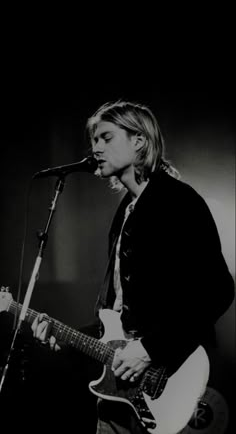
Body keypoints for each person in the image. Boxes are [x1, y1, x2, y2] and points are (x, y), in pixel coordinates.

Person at [31, 100, 235, 434]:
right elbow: (117, 313)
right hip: (120, 392)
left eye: (106, 138)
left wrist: (151, 349)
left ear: (138, 140)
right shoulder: (126, 211)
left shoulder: (178, 201)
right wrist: (65, 336)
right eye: (93, 140)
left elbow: (218, 290)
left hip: (168, 380)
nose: (95, 147)